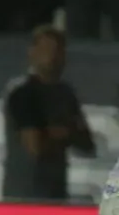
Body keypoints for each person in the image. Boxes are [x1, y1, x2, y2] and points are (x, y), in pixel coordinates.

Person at [8, 25, 93, 202]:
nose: (51, 56)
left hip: (56, 194)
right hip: (24, 195)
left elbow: (88, 144)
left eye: (56, 50)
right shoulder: (23, 94)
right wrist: (64, 133)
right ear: (32, 53)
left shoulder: (66, 94)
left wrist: (61, 133)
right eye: (45, 49)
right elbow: (34, 147)